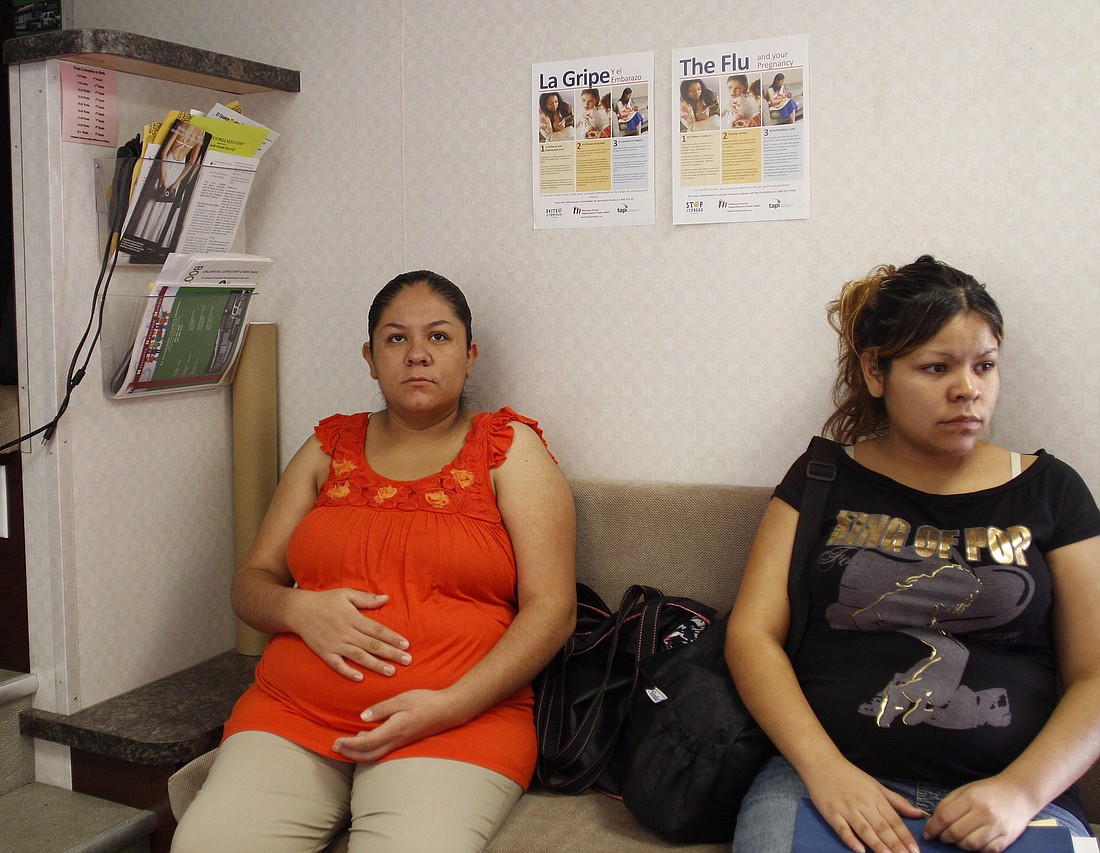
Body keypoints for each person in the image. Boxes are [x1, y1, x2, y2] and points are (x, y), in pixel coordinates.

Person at [172, 271, 577, 853]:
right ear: (369, 357)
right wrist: (298, 609)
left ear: (470, 356)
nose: (417, 355)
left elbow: (553, 609)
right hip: (294, 715)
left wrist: (449, 705)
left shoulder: (508, 449)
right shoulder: (327, 446)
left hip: (457, 723)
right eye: (395, 339)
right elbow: (249, 585)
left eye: (438, 337)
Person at [726, 255, 1100, 853]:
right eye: (936, 367)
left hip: (1011, 800)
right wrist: (826, 771)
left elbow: (1096, 674)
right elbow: (751, 635)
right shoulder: (822, 477)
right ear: (877, 372)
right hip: (825, 784)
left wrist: (1021, 793)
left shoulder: (1052, 490)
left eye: (985, 366)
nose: (968, 389)